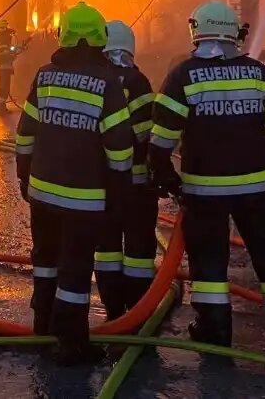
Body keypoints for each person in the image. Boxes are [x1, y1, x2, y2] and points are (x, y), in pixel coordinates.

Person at [149, 0, 265, 358]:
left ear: (196, 30)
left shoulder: (182, 75)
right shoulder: (256, 72)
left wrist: (164, 176)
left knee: (209, 264)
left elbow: (160, 141)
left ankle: (215, 334)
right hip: (258, 191)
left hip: (205, 193)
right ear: (235, 32)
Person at [14, 2, 134, 365]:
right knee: (76, 270)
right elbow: (120, 147)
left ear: (64, 36)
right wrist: (119, 192)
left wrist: (24, 177)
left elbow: (25, 134)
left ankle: (43, 325)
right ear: (100, 40)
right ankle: (71, 344)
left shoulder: (46, 75)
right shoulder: (107, 83)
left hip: (42, 193)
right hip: (85, 199)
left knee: (46, 260)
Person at [93, 20, 157, 318]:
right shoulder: (137, 81)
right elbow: (147, 132)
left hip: (101, 184)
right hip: (136, 182)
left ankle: (112, 308)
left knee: (105, 248)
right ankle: (137, 309)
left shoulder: (94, 79)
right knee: (139, 249)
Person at [0, 20, 20, 114]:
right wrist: (17, 51)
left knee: (3, 88)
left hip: (1, 67)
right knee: (4, 88)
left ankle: (0, 108)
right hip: (5, 67)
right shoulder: (7, 38)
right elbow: (10, 51)